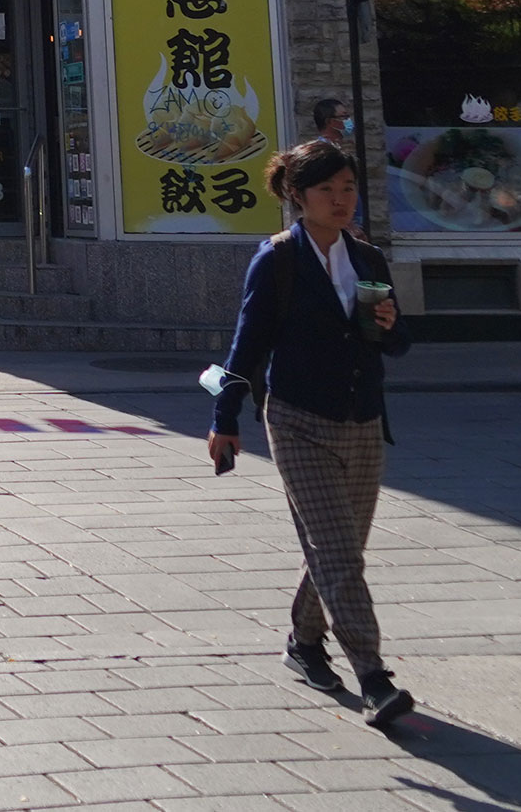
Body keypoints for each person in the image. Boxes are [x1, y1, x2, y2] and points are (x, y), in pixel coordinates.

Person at [209, 137, 417, 730]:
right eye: (327, 189)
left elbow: (399, 344)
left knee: (340, 548)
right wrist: (224, 420)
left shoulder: (368, 259)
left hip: (362, 419)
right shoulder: (276, 260)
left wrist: (390, 325)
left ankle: (303, 645)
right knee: (336, 552)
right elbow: (246, 347)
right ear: (297, 196)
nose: (341, 199)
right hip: (297, 420)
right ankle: (374, 678)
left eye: (348, 188)